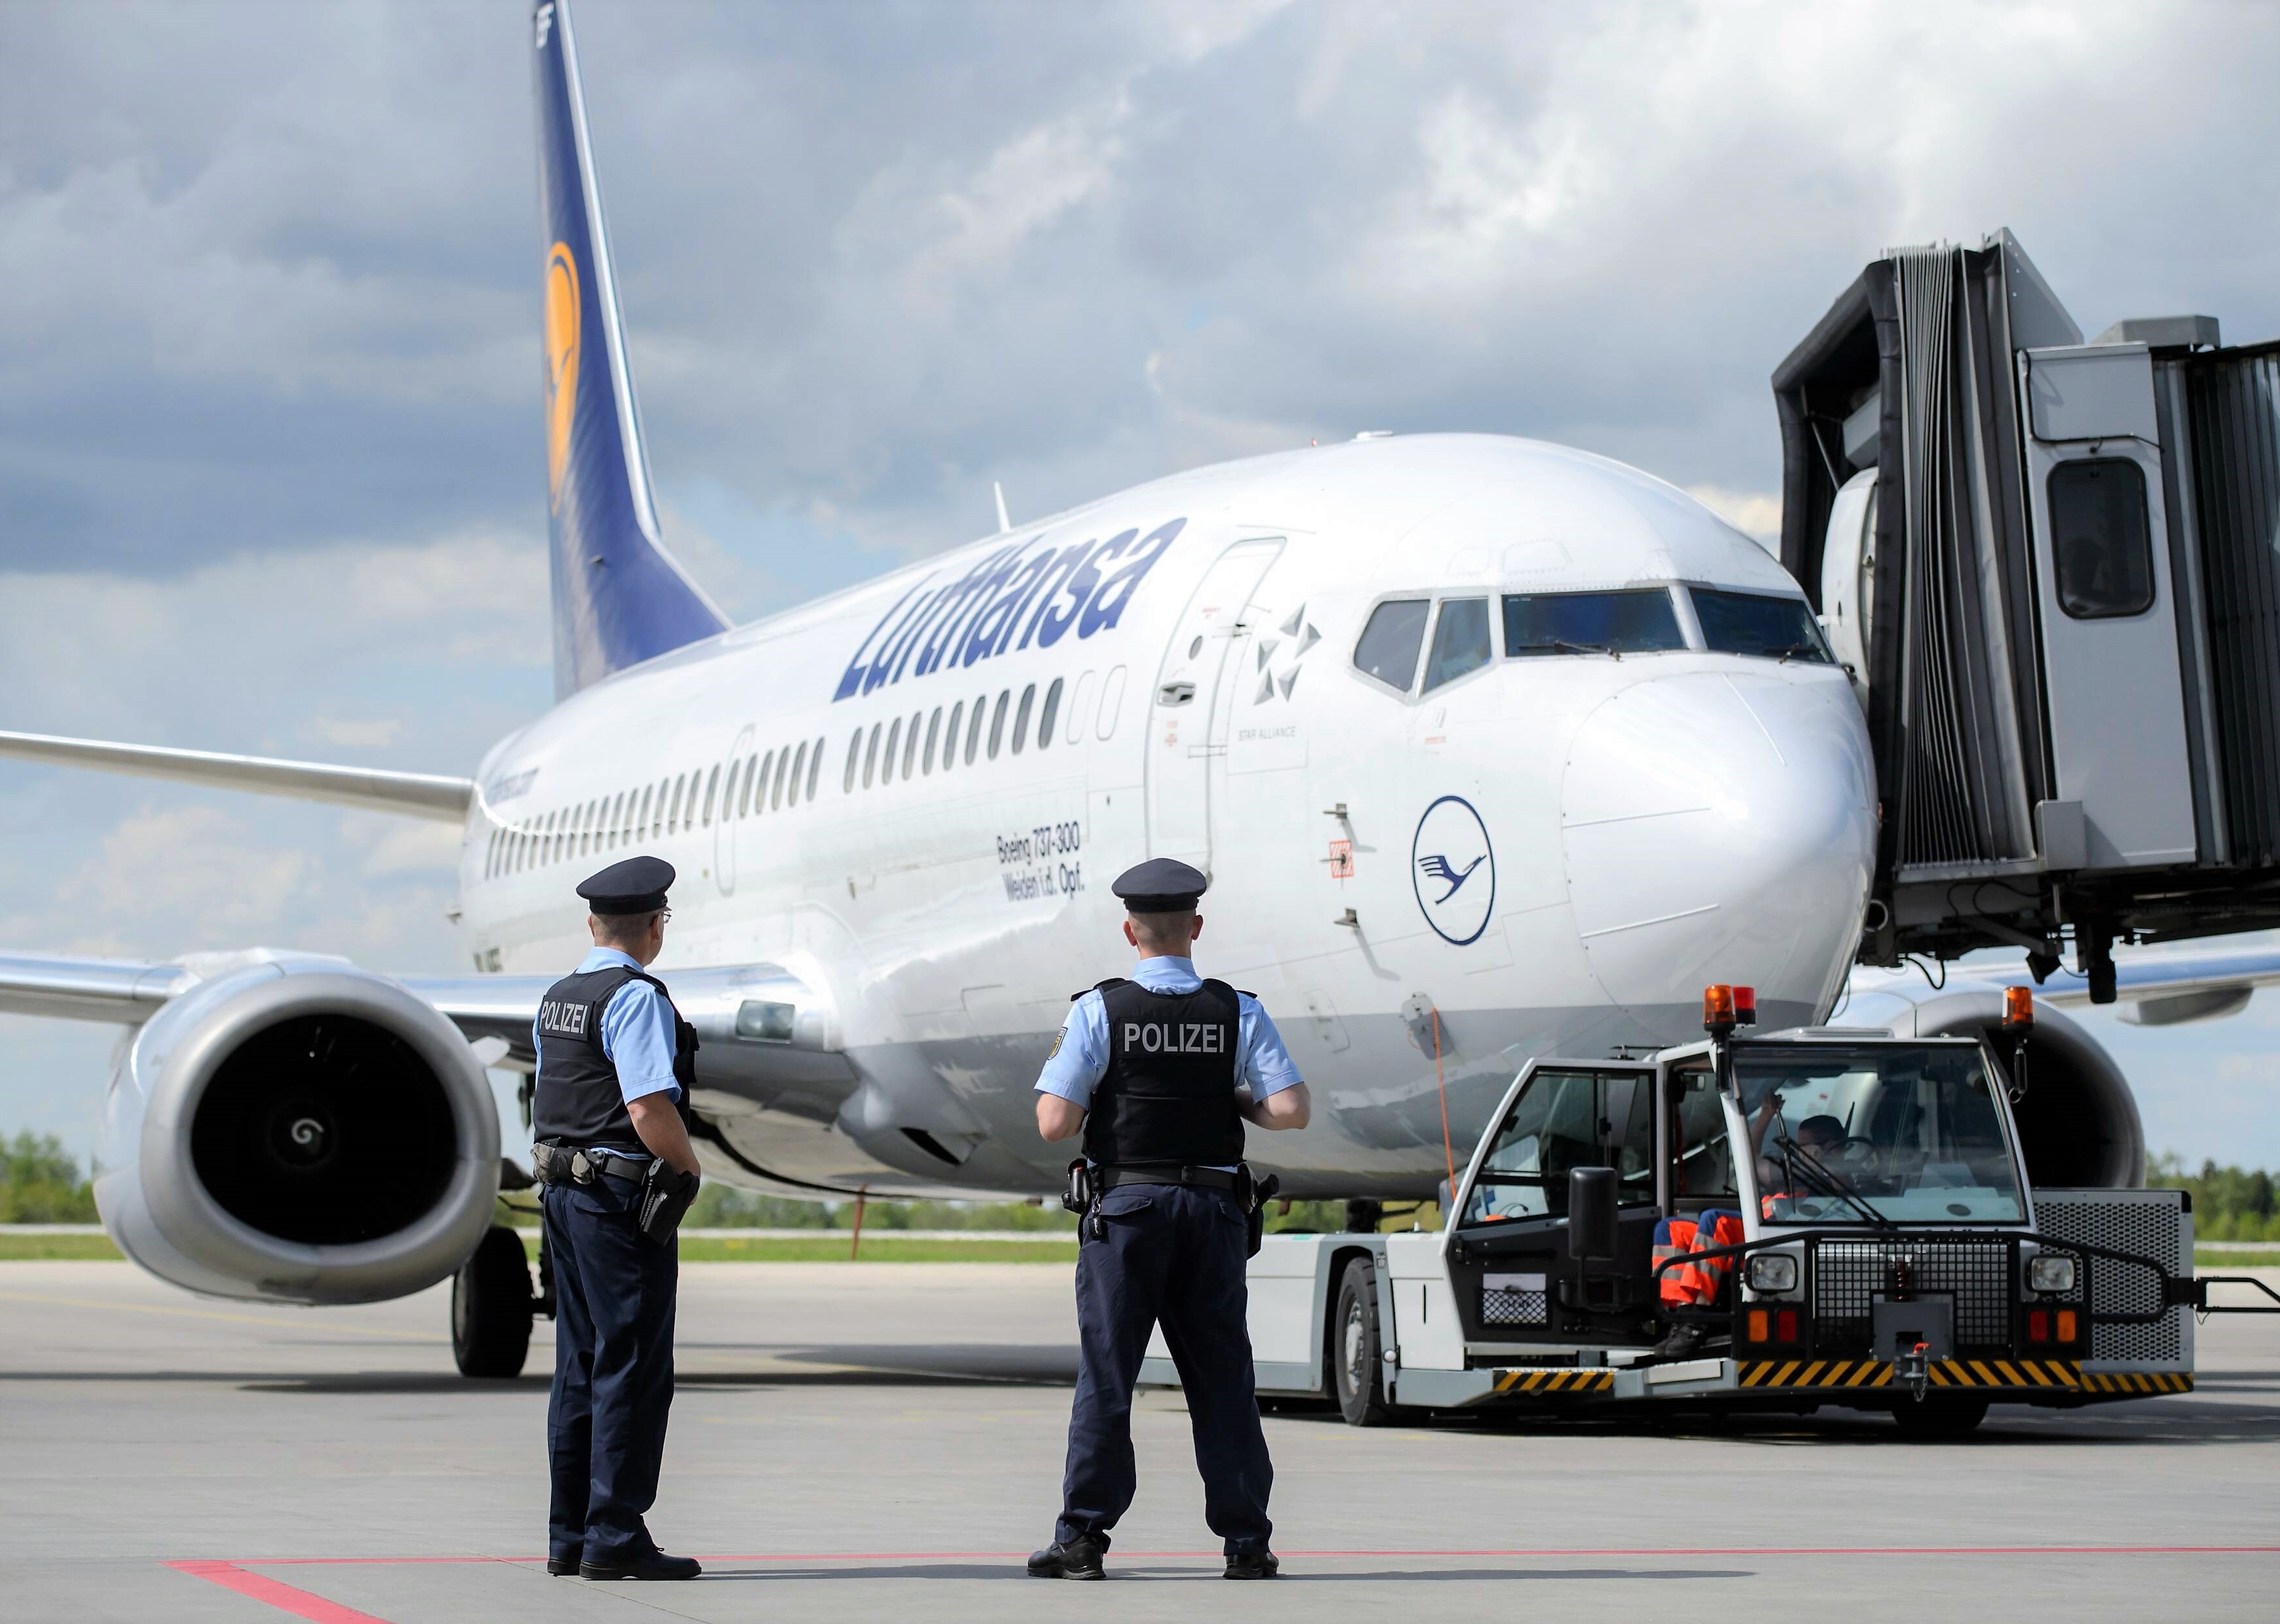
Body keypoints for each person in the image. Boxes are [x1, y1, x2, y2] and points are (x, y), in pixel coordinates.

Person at [1026, 858, 1312, 1583]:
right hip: (1213, 1213)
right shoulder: (1237, 1008)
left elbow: (1054, 1123)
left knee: (1109, 1378)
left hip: (1126, 1215)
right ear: (1196, 926)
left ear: (1130, 929)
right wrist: (1231, 1099)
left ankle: (1083, 1538)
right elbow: (1289, 1109)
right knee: (1222, 1379)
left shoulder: (1099, 1009)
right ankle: (1246, 1540)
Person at [530, 855, 704, 1582]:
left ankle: (569, 1534)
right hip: (614, 1200)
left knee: (579, 1364)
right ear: (656, 927)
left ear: (592, 923)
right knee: (631, 1365)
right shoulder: (635, 998)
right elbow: (645, 1105)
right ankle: (615, 1532)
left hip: (562, 1195)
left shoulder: (559, 996)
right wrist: (689, 1169)